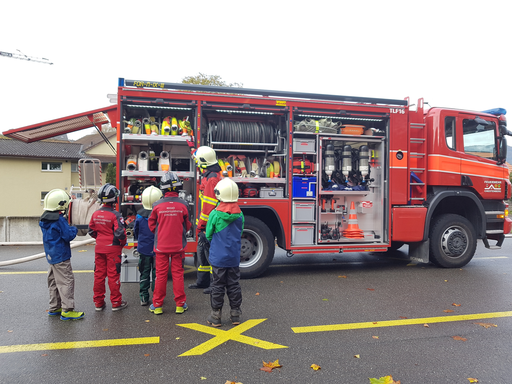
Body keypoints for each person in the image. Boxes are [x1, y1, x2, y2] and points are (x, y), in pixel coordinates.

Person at [148, 172, 191, 315]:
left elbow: (152, 225)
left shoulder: (156, 205)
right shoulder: (183, 204)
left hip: (161, 246)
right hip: (178, 245)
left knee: (160, 275)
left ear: (163, 189)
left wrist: (161, 233)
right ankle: (180, 305)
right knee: (178, 274)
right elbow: (188, 225)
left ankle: (157, 305)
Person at [39, 189, 84, 321]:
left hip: (51, 255)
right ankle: (68, 310)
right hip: (61, 256)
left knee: (53, 281)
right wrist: (74, 228)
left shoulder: (44, 219)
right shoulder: (59, 220)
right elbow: (68, 235)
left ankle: (54, 307)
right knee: (66, 281)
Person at [205, 178, 244, 327]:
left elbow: (209, 233)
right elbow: (240, 232)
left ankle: (216, 316)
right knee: (234, 284)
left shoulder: (215, 214)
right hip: (233, 257)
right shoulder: (240, 214)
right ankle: (235, 315)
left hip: (218, 258)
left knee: (217, 285)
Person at [88, 183, 128, 311]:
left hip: (99, 248)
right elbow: (120, 234)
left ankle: (98, 303)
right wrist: (122, 243)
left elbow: (91, 231)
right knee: (113, 276)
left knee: (99, 276)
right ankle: (116, 302)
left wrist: (100, 239)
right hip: (113, 249)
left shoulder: (95, 214)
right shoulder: (116, 215)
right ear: (114, 198)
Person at [188, 146, 222, 294]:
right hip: (205, 225)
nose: (196, 164)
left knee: (210, 255)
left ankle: (215, 285)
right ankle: (202, 282)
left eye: (198, 161)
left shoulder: (212, 180)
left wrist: (202, 226)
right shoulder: (209, 176)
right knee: (202, 253)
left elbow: (208, 207)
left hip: (208, 225)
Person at [133, 185, 162, 306]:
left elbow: (136, 231)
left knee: (144, 273)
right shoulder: (160, 215)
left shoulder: (139, 216)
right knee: (157, 274)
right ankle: (156, 297)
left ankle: (144, 297)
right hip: (157, 250)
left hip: (144, 250)